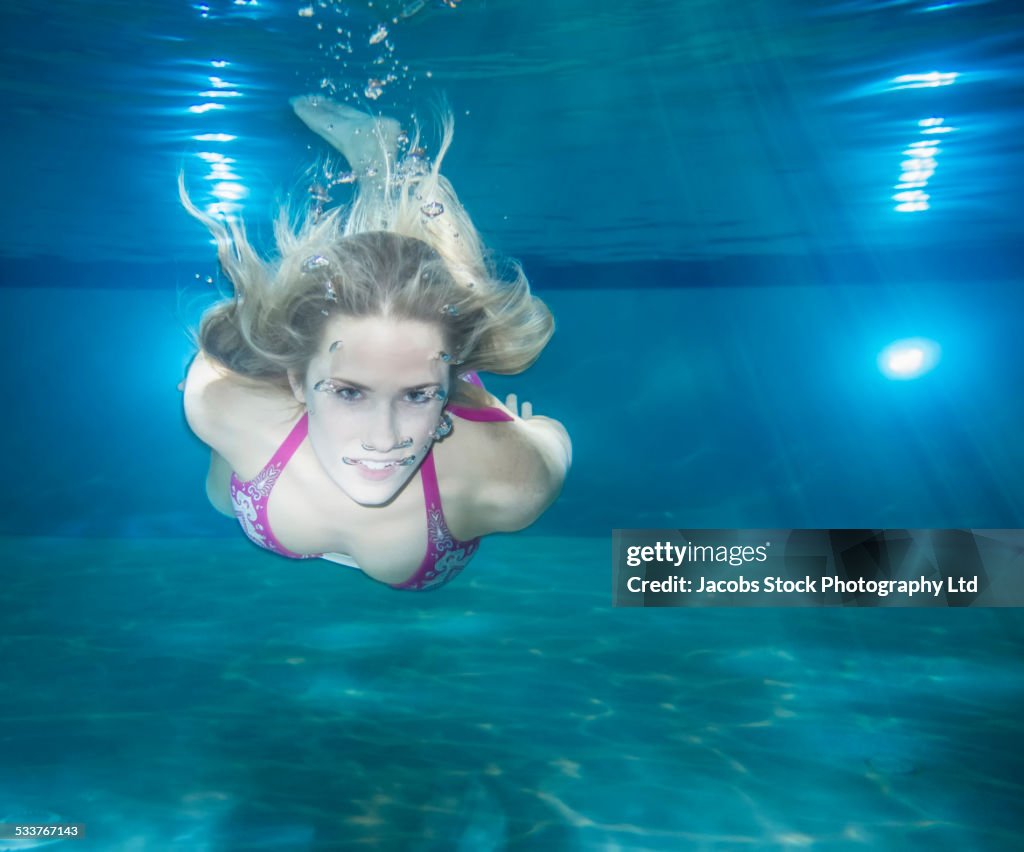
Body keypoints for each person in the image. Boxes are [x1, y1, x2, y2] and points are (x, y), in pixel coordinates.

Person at [179, 95, 571, 591]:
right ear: (296, 382)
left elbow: (552, 436)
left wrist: (513, 426)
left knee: (450, 297)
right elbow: (222, 352)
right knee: (410, 302)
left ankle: (386, 165)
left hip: (446, 390)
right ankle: (384, 159)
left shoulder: (511, 480)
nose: (383, 441)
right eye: (348, 391)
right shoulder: (221, 402)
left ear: (446, 390)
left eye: (417, 395)